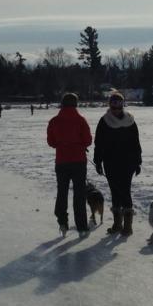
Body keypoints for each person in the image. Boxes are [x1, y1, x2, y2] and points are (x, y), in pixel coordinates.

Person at [92, 92, 141, 236]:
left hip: (128, 162)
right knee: (115, 192)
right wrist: (98, 161)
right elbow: (99, 143)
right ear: (109, 105)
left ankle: (127, 227)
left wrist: (138, 162)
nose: (116, 108)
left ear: (123, 104)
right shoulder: (104, 121)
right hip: (111, 162)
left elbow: (136, 142)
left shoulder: (130, 121)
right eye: (113, 104)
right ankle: (118, 225)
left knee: (125, 191)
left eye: (119, 104)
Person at [46, 92, 92, 237]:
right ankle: (82, 226)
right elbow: (88, 141)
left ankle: (62, 222)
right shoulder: (81, 120)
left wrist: (62, 144)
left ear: (62, 103)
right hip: (78, 161)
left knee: (62, 192)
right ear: (76, 104)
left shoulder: (54, 121)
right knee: (79, 194)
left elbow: (51, 142)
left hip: (62, 161)